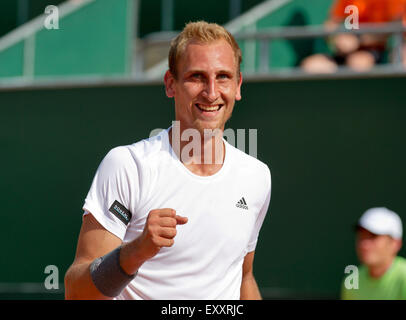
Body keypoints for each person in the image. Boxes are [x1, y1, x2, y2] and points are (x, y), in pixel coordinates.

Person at [64, 21, 272, 300]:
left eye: (223, 76)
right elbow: (76, 293)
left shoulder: (256, 176)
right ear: (170, 84)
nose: (211, 92)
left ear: (238, 85)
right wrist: (134, 253)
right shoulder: (128, 166)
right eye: (197, 77)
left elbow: (243, 277)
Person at [301, 0, 406, 73]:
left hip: (377, 52)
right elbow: (330, 25)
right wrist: (336, 39)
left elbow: (394, 29)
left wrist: (358, 40)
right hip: (345, 52)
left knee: (358, 63)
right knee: (312, 65)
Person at [341, 207, 406, 299]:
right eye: (361, 236)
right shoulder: (351, 282)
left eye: (373, 236)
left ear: (395, 244)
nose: (364, 244)